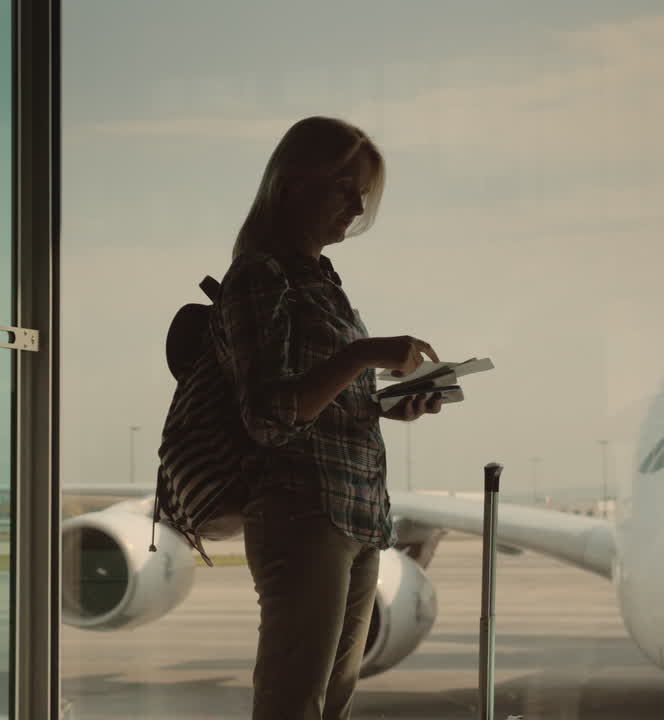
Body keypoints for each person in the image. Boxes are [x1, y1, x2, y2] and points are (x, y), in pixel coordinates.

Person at [215, 116, 442, 720]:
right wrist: (364, 353)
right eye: (345, 186)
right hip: (304, 512)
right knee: (295, 704)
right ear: (294, 184)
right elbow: (269, 417)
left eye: (362, 191)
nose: (358, 203)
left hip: (355, 513)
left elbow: (325, 405)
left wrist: (393, 403)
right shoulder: (261, 277)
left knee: (329, 704)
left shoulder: (322, 282)